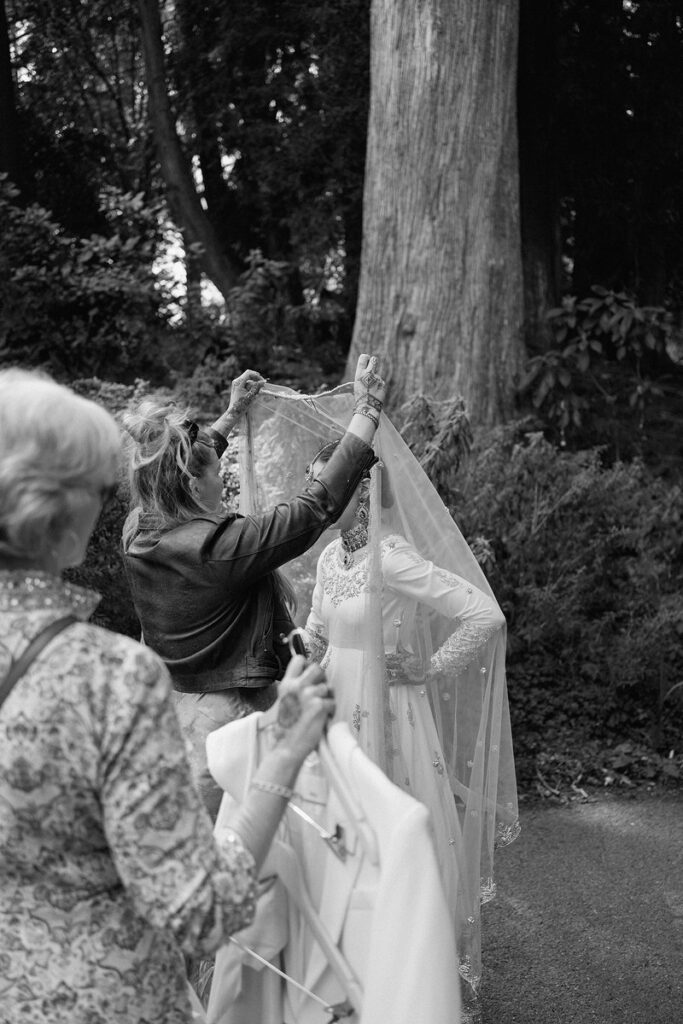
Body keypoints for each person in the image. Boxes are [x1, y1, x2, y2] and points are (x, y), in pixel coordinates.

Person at [0, 368, 336, 1024]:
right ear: (62, 521)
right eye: (100, 490)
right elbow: (197, 909)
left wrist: (224, 419)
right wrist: (284, 754)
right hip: (106, 1000)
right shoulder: (107, 677)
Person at [234, 382, 520, 1010]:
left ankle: (408, 972)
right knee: (337, 836)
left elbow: (483, 614)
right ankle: (347, 969)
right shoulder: (334, 553)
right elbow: (314, 632)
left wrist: (428, 665)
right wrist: (289, 646)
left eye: (333, 486)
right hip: (333, 709)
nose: (325, 496)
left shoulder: (392, 558)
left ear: (361, 492)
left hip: (390, 711)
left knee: (390, 836)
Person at [121, 355, 385, 817]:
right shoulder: (219, 549)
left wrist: (230, 415)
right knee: (245, 842)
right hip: (231, 720)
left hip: (176, 707)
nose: (222, 481)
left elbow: (176, 472)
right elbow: (311, 509)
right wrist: (366, 413)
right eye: (213, 474)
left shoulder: (137, 530)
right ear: (190, 480)